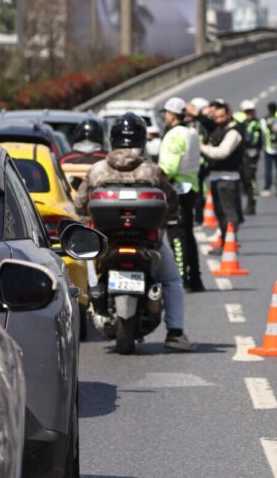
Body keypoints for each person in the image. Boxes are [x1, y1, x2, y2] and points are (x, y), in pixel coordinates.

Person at [74, 113, 195, 351]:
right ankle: (175, 333)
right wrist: (171, 217)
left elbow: (80, 203)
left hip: (107, 242)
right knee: (171, 280)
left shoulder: (97, 169)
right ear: (141, 139)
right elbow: (171, 201)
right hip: (148, 242)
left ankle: (95, 300)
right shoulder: (152, 170)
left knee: (87, 266)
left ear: (113, 138)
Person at [159, 97, 204, 293]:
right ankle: (194, 277)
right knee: (188, 235)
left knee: (176, 235)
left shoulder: (175, 135)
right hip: (191, 187)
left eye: (165, 114)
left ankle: (180, 276)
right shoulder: (192, 133)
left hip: (176, 189)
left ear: (171, 114)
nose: (164, 117)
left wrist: (157, 178)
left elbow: (170, 166)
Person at [200, 101, 244, 253]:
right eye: (216, 117)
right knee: (220, 213)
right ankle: (225, 242)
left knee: (229, 212)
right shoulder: (219, 129)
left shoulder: (233, 132)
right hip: (216, 176)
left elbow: (222, 152)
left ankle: (230, 243)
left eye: (221, 116)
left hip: (228, 178)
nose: (218, 119)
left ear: (228, 115)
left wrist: (202, 147)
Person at [234, 100, 263, 216]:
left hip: (251, 155)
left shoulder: (255, 124)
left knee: (250, 180)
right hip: (240, 155)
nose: (250, 114)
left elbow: (253, 140)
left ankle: (252, 204)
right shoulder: (239, 122)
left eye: (251, 111)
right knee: (240, 180)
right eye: (247, 112)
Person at [262, 102, 277, 197]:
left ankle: (267, 187)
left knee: (268, 169)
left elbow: (263, 132)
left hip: (269, 147)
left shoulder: (265, 119)